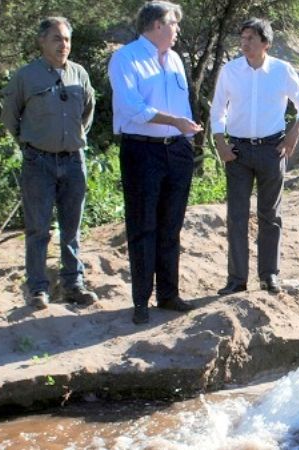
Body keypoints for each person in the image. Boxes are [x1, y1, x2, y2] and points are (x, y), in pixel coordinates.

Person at [108, 1, 202, 324]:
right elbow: (133, 108)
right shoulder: (126, 58)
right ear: (158, 25)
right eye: (174, 24)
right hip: (142, 151)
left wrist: (185, 131)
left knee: (171, 225)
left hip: (177, 150)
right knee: (142, 225)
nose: (177, 30)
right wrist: (174, 121)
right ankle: (141, 301)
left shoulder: (175, 59)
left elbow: (184, 103)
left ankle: (169, 294)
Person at [210, 18, 299, 296]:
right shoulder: (230, 71)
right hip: (238, 152)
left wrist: (294, 133)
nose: (245, 44)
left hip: (272, 149)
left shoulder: (281, 70)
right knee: (237, 216)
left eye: (251, 39)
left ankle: (269, 275)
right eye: (242, 38)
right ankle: (236, 280)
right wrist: (221, 143)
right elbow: (218, 109)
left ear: (265, 43)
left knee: (271, 215)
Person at [0, 17, 98, 309]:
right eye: (57, 38)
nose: (63, 45)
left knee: (72, 228)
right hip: (38, 162)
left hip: (73, 162)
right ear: (42, 41)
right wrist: (30, 143)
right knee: (38, 229)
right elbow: (10, 117)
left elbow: (88, 113)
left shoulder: (79, 74)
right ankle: (38, 289)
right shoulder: (25, 77)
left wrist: (71, 140)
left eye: (67, 39)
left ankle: (73, 285)